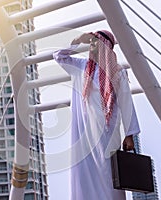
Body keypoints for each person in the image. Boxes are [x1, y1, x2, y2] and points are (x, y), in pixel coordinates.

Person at [53, 30, 140, 200]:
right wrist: (78, 40)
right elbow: (58, 56)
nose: (91, 46)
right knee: (84, 174)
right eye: (91, 43)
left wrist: (130, 134)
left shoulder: (118, 72)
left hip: (106, 133)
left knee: (108, 173)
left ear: (106, 47)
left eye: (95, 42)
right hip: (84, 132)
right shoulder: (82, 67)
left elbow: (126, 103)